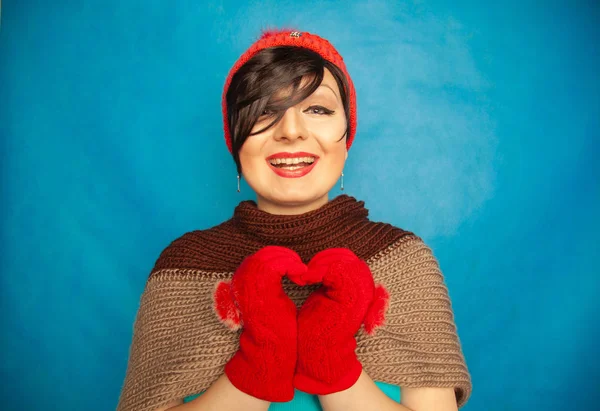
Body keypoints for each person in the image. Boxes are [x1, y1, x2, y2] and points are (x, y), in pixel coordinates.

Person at [117, 28, 472, 411]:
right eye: (265, 110)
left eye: (317, 109)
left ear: (347, 134)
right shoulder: (183, 267)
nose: (291, 131)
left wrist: (332, 366)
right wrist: (258, 365)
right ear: (236, 141)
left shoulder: (403, 260)